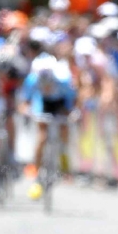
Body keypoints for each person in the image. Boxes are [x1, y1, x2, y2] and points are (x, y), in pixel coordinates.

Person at [19, 48, 77, 200]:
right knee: (42, 136)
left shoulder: (63, 79)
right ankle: (37, 171)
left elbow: (71, 102)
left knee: (64, 126)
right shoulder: (32, 80)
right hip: (42, 103)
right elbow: (26, 101)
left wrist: (71, 113)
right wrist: (26, 111)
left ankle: (63, 152)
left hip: (60, 102)